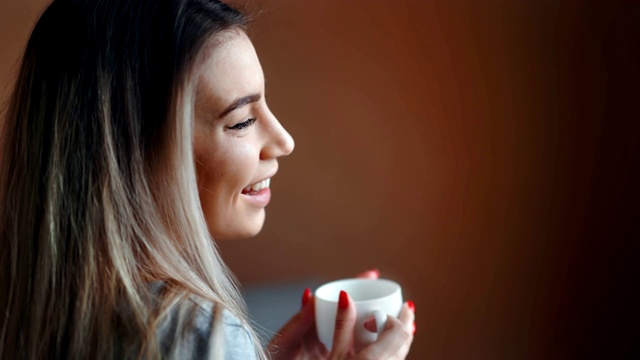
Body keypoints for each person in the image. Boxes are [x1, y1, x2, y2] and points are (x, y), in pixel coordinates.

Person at [0, 0, 415, 359]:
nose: (284, 141)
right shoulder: (197, 333)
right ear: (132, 156)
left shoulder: (25, 315)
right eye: (242, 121)